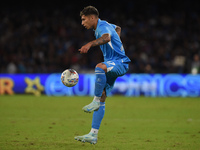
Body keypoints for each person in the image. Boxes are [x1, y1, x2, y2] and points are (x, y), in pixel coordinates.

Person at [75, 6, 131, 144]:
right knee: (103, 97)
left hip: (120, 62)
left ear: (92, 17)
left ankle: (95, 100)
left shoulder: (101, 28)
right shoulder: (105, 24)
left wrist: (89, 44)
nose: (82, 23)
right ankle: (93, 135)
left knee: (99, 67)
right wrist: (117, 42)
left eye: (84, 19)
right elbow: (118, 28)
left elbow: (106, 37)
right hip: (114, 62)